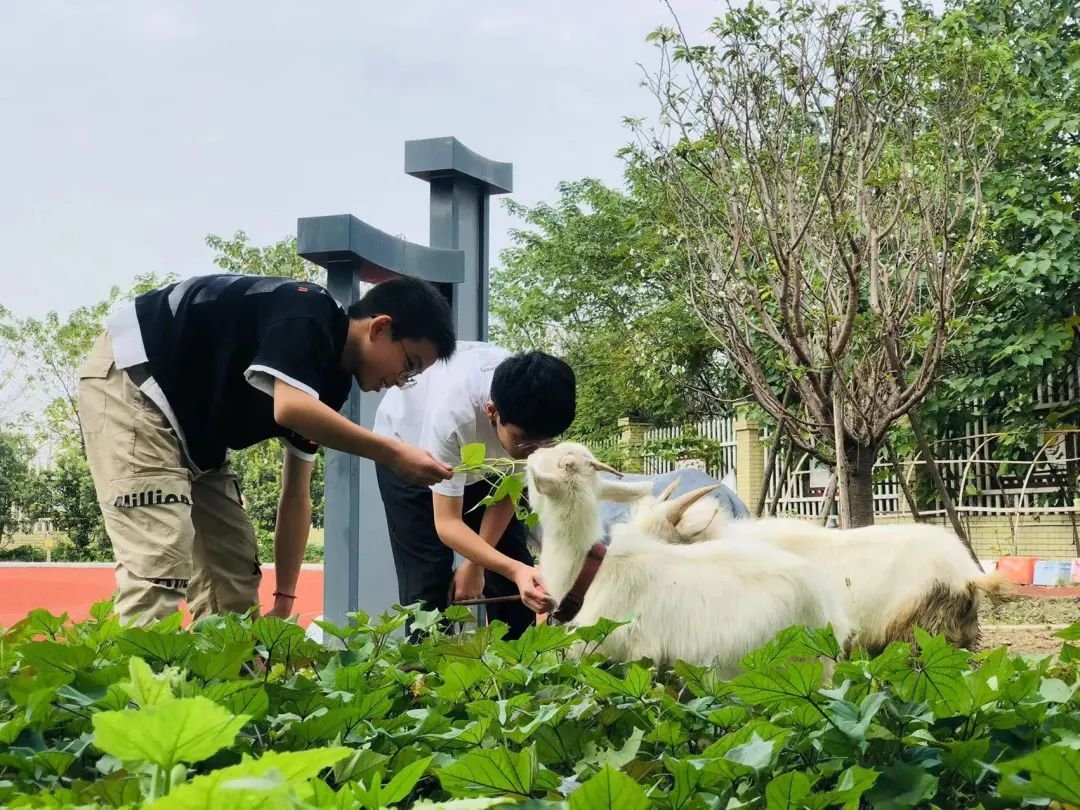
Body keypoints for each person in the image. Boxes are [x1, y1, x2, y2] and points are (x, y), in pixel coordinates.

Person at [77, 272, 457, 626]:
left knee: (232, 571)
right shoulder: (308, 310)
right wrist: (392, 453)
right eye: (409, 365)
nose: (400, 381)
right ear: (380, 327)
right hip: (135, 382)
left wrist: (286, 598)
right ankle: (138, 692)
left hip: (197, 435)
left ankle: (221, 688)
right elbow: (289, 407)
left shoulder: (332, 384)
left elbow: (296, 494)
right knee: (160, 557)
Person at [373, 341, 576, 639]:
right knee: (428, 581)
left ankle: (516, 674)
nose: (536, 454)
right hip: (410, 449)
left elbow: (508, 489)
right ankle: (424, 677)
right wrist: (498, 566)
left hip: (484, 462)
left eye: (547, 442)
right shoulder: (454, 415)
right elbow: (447, 524)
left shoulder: (533, 407)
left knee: (514, 570)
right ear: (492, 412)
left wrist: (476, 565)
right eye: (526, 443)